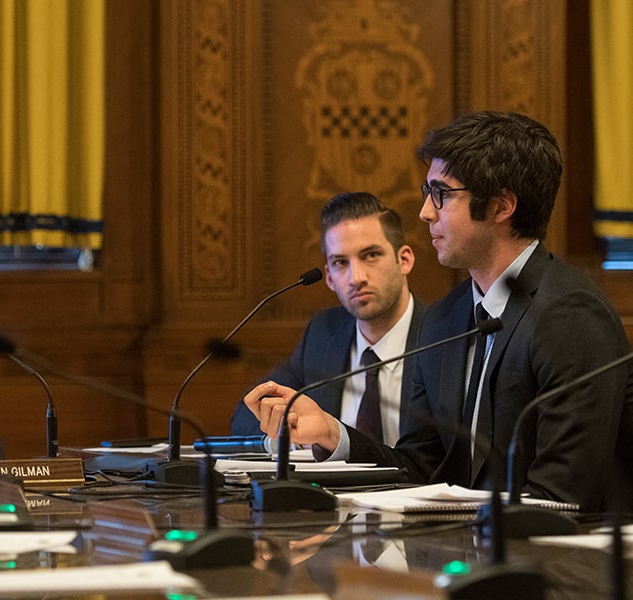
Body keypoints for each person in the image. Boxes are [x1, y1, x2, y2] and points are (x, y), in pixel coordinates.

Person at [245, 111, 632, 512]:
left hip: (568, 563)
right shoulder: (446, 318)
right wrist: (333, 433)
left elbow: (564, 498)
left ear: (501, 207)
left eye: (441, 194)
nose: (425, 212)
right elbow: (420, 470)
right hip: (470, 553)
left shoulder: (570, 314)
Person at [231, 192, 427, 446]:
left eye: (371, 255)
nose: (356, 277)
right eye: (340, 262)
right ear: (329, 278)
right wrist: (290, 435)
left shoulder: (443, 332)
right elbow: (247, 414)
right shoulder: (323, 333)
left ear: (404, 260)